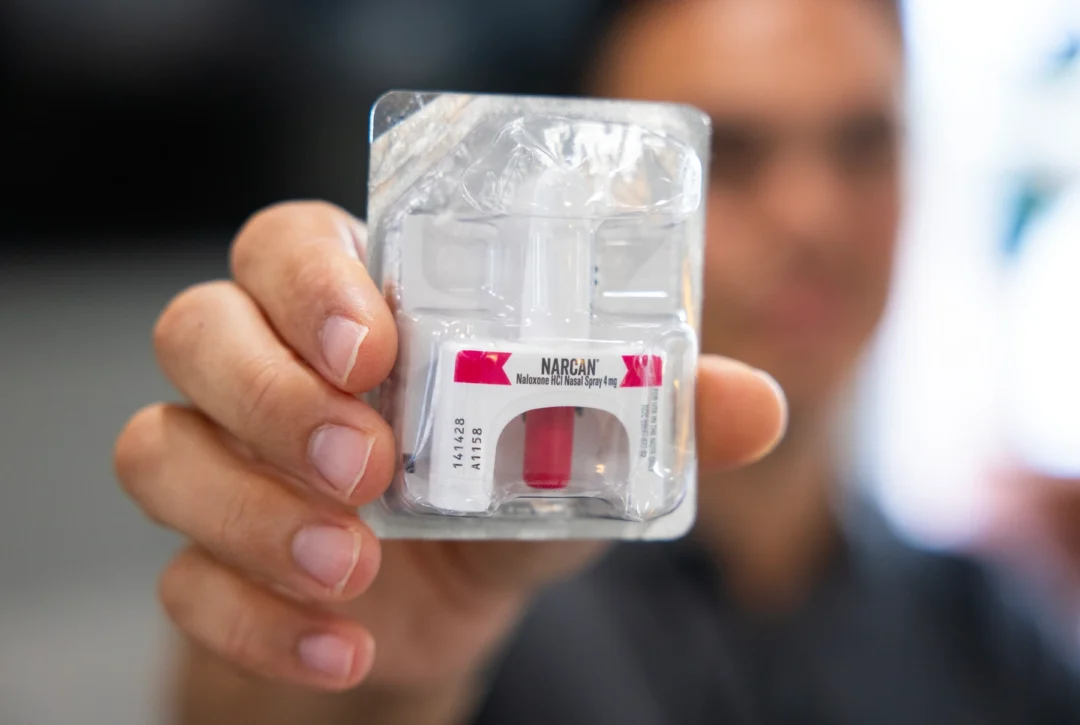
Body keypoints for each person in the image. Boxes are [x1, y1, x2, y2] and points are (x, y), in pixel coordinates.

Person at [114, 0, 1080, 723]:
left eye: (863, 144)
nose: (813, 216)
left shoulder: (993, 625)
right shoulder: (474, 583)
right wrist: (346, 672)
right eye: (731, 155)